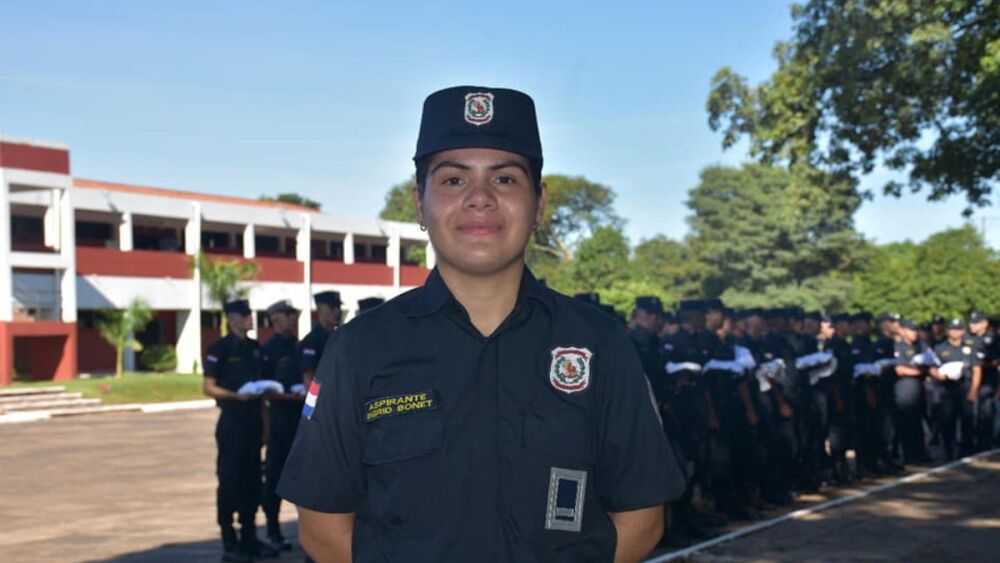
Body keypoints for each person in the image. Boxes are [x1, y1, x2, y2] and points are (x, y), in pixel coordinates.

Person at [278, 86, 685, 563]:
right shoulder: (359, 348)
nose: (479, 199)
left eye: (506, 179)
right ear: (419, 205)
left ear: (540, 203)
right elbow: (323, 530)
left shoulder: (599, 343)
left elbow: (642, 516)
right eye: (453, 180)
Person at [202, 299, 279, 562]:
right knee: (230, 480)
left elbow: (261, 390)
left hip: (254, 421)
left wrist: (266, 424)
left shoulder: (255, 348)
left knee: (252, 480)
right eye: (245, 314)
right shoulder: (219, 348)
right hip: (232, 421)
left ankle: (249, 535)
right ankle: (228, 539)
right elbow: (208, 386)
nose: (250, 318)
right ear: (232, 318)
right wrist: (236, 396)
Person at [260, 299, 305, 551]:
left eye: (294, 314)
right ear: (275, 319)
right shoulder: (267, 350)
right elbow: (263, 389)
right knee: (275, 477)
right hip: (279, 420)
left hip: (300, 421)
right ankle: (273, 529)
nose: (293, 318)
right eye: (288, 315)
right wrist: (289, 395)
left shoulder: (299, 347)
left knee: (305, 478)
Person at [930, 318, 982, 459]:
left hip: (965, 387)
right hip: (946, 389)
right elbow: (932, 368)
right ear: (948, 331)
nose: (955, 332)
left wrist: (973, 390)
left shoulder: (970, 348)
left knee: (967, 420)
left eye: (959, 329)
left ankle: (967, 449)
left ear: (963, 331)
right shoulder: (940, 348)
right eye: (953, 329)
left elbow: (977, 369)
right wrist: (938, 376)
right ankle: (948, 449)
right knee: (947, 421)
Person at [300, 291, 343, 388]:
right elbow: (308, 376)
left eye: (338, 307)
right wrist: (316, 400)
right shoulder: (312, 340)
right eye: (332, 308)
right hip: (322, 396)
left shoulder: (339, 337)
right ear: (319, 310)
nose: (337, 311)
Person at [968, 311, 998, 450]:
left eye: (975, 323)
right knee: (969, 416)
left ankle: (985, 444)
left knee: (986, 414)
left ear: (984, 324)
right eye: (971, 322)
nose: (971, 325)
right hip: (968, 382)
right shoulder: (967, 337)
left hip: (988, 382)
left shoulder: (992, 340)